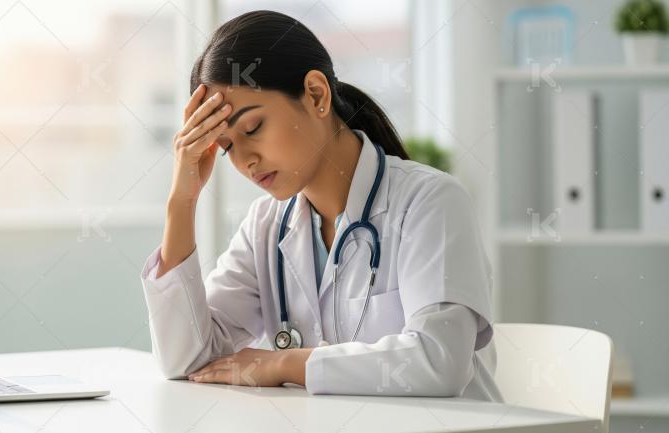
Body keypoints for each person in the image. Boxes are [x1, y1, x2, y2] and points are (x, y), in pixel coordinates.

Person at [140, 10, 502, 401]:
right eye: (227, 148)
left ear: (316, 94)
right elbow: (187, 361)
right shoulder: (266, 225)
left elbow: (439, 362)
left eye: (253, 129)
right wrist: (183, 200)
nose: (245, 161)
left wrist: (285, 364)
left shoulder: (430, 202)